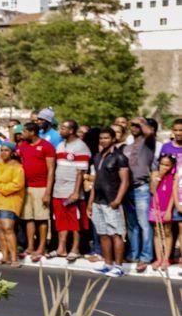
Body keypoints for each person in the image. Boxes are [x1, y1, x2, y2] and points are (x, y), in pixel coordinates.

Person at [88, 128, 131, 277]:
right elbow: (96, 181)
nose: (103, 140)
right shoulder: (98, 157)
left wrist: (118, 200)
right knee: (103, 234)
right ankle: (107, 264)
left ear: (113, 139)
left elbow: (125, 181)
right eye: (101, 138)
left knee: (116, 234)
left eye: (106, 138)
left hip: (111, 201)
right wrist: (90, 202)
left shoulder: (120, 157)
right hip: (98, 201)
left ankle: (118, 267)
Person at [51, 120, 90, 260]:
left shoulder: (80, 147)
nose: (60, 131)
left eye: (63, 128)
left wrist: (75, 192)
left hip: (72, 190)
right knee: (60, 220)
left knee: (75, 222)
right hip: (58, 189)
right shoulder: (60, 145)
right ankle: (61, 248)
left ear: (71, 130)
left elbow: (80, 172)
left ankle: (75, 248)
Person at [16, 122, 56, 262]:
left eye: (25, 132)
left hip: (41, 187)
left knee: (42, 218)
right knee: (28, 218)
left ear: (32, 132)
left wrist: (47, 192)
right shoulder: (23, 146)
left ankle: (41, 247)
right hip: (26, 187)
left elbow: (51, 170)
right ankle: (30, 246)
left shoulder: (47, 146)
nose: (22, 134)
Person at [123, 117, 157, 272]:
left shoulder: (148, 142)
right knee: (132, 225)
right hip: (128, 189)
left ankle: (145, 256)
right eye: (133, 125)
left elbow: (150, 132)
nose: (135, 127)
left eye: (138, 126)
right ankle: (133, 254)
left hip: (141, 188)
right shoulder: (127, 147)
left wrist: (142, 121)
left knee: (144, 224)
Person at [0, 141, 26, 266]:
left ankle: (14, 258)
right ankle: (5, 256)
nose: (3, 153)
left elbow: (17, 185)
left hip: (10, 201)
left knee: (8, 229)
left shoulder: (17, 167)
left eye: (6, 150)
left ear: (12, 153)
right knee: (0, 229)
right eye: (2, 150)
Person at [150, 154, 176, 271]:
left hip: (167, 207)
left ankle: (166, 258)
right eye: (162, 164)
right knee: (157, 232)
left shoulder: (174, 177)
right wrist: (159, 176)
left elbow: (173, 195)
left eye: (167, 165)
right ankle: (158, 258)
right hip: (155, 206)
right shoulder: (155, 174)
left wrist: (169, 210)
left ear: (171, 166)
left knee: (167, 231)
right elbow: (152, 189)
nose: (164, 167)